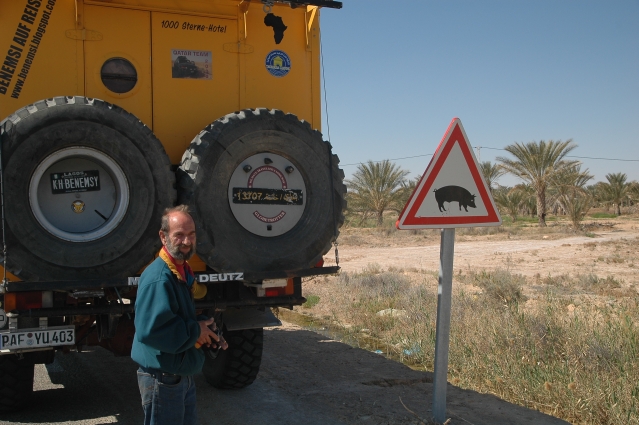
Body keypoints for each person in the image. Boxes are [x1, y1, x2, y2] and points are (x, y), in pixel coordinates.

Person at [132, 205, 227, 425]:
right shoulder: (159, 278)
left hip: (178, 374)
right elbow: (151, 331)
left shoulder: (180, 270)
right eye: (179, 236)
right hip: (162, 379)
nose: (186, 242)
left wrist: (205, 329)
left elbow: (173, 318)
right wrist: (195, 332)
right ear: (163, 237)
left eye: (191, 235)